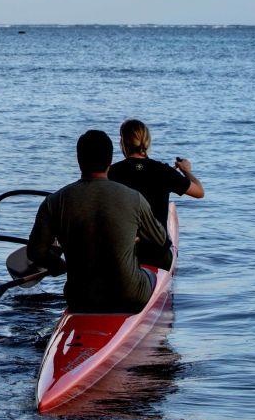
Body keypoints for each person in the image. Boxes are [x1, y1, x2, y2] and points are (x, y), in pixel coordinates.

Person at [27, 130, 167, 314]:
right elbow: (160, 240)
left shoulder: (54, 201)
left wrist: (59, 266)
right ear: (110, 161)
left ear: (78, 160)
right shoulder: (134, 198)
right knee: (152, 274)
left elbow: (35, 252)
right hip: (129, 297)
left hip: (80, 298)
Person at [108, 119, 204, 270]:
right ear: (147, 141)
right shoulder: (163, 171)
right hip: (157, 254)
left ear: (123, 143)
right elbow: (199, 192)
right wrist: (185, 170)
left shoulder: (112, 172)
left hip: (122, 253)